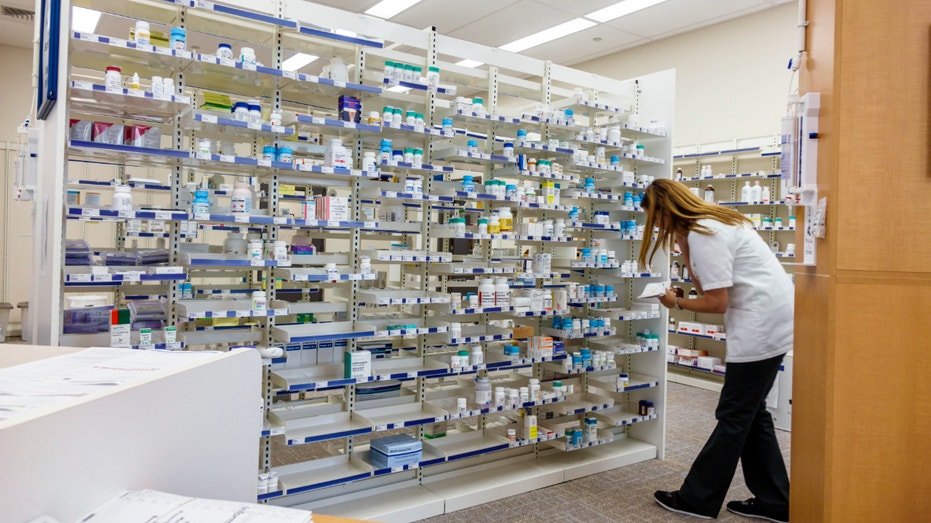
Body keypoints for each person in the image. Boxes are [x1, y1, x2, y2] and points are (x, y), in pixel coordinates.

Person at [639, 180, 792, 522]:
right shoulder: (712, 224)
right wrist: (684, 248)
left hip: (760, 324)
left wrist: (674, 302)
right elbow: (708, 285)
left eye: (656, 220)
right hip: (771, 316)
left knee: (734, 414)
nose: (659, 227)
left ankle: (697, 499)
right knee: (753, 414)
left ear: (665, 210)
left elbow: (716, 302)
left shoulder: (704, 233)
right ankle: (776, 501)